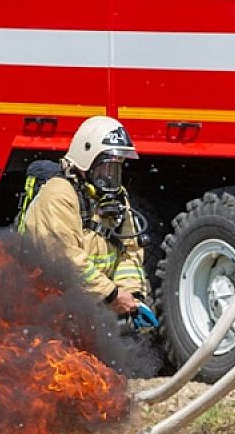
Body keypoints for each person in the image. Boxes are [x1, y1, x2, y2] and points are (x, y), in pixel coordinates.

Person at [18, 115, 152, 325]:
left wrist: (132, 296)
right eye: (105, 167)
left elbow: (130, 252)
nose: (110, 177)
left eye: (116, 168)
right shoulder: (59, 194)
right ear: (85, 160)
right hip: (47, 308)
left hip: (92, 305)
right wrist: (113, 295)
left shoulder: (116, 197)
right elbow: (66, 261)